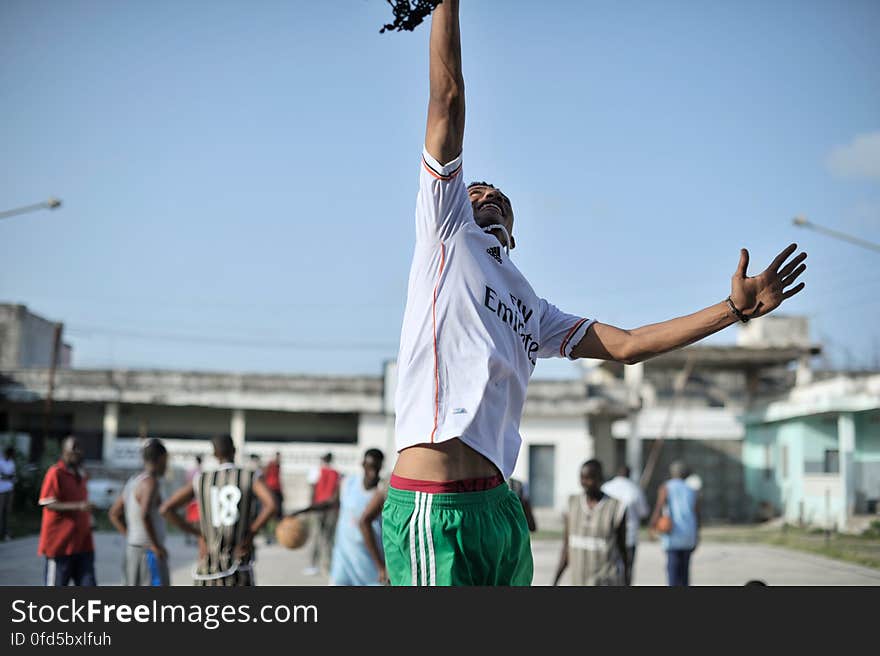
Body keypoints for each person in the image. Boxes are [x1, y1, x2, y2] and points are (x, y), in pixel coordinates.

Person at [383, 0, 807, 586]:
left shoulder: (532, 306)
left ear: (514, 228)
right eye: (474, 186)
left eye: (497, 194)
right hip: (436, 504)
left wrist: (733, 309)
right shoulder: (446, 232)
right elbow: (447, 100)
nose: (484, 191)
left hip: (499, 511)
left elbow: (630, 344)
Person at [160, 435, 276, 586]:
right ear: (234, 450)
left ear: (215, 454)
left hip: (209, 567)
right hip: (238, 563)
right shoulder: (249, 476)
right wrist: (250, 535)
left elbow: (166, 509)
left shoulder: (201, 479)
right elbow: (272, 505)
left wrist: (199, 535)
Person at [293, 449, 387, 585]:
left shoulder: (382, 491)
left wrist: (381, 566)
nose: (372, 472)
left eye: (376, 468)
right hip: (344, 562)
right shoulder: (348, 483)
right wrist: (304, 510)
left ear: (381, 467)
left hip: (369, 563)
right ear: (362, 465)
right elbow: (331, 502)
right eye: (369, 467)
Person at [553, 460, 627, 586]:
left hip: (606, 581)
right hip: (579, 581)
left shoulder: (615, 507)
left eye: (590, 478)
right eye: (582, 478)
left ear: (600, 479)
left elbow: (623, 550)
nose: (585, 483)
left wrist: (627, 579)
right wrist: (555, 580)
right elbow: (566, 548)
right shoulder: (572, 504)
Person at [108, 439, 170, 586]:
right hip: (147, 553)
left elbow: (114, 514)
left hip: (133, 549)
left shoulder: (133, 481)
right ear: (161, 459)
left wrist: (131, 536)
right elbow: (145, 514)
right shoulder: (151, 483)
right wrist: (155, 545)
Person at [37, 436, 97, 586]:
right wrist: (78, 506)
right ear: (64, 451)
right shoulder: (55, 472)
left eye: (79, 448)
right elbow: (48, 503)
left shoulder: (81, 474)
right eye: (73, 448)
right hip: (60, 545)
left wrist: (89, 518)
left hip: (83, 544)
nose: (77, 451)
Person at [650, 461, 700, 587]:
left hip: (672, 534)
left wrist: (652, 525)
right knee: (684, 573)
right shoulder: (691, 490)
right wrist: (697, 535)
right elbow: (697, 513)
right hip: (689, 533)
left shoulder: (666, 487)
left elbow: (659, 506)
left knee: (673, 573)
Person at [601, 464, 649, 585]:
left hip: (609, 536)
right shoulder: (634, 489)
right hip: (629, 536)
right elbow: (643, 512)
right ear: (629, 474)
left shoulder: (606, 487)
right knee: (627, 569)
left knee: (608, 568)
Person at [303, 452, 340, 576]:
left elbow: (312, 491)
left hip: (319, 508)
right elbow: (337, 493)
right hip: (330, 509)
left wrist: (311, 507)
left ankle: (313, 565)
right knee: (329, 538)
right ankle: (329, 565)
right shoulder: (336, 473)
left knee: (317, 537)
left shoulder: (316, 471)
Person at [184, 455, 202, 545]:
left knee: (190, 519)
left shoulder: (191, 472)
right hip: (198, 500)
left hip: (190, 499)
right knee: (197, 520)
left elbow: (186, 484)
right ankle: (197, 537)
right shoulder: (202, 472)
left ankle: (188, 537)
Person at [0, 446, 16, 540]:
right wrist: (7, 476)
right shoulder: (0, 462)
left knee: (7, 512)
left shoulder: (11, 462)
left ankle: (5, 533)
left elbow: (13, 475)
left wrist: (9, 476)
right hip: (1, 490)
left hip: (9, 489)